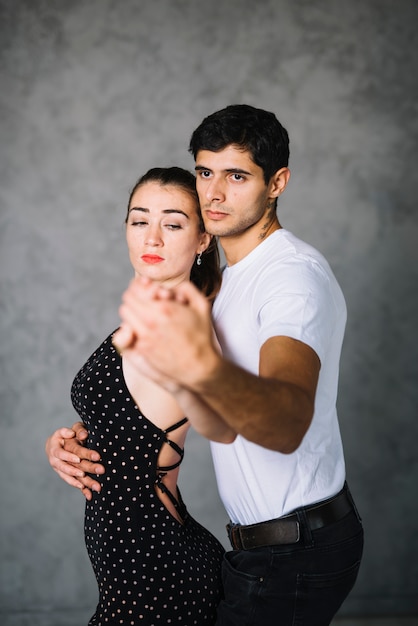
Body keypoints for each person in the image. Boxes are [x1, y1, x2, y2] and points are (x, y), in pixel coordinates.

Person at [47, 105, 364, 626]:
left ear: (277, 182)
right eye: (204, 172)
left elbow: (285, 423)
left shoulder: (292, 278)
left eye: (236, 176)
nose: (213, 193)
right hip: (256, 543)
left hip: (296, 547)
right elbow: (179, 413)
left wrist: (197, 368)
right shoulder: (224, 281)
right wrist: (81, 439)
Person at [46, 166, 229, 625]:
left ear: (203, 239)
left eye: (172, 224)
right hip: (138, 559)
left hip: (152, 569)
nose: (152, 238)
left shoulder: (185, 329)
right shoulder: (148, 317)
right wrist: (71, 440)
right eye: (139, 220)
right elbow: (131, 420)